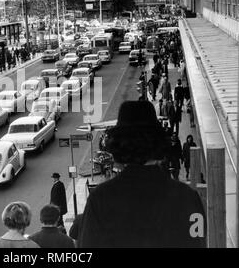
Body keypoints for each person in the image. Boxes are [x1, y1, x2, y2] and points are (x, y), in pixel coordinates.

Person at [78, 101, 206, 248]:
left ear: (118, 145)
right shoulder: (188, 197)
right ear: (159, 142)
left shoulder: (99, 199)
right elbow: (198, 242)